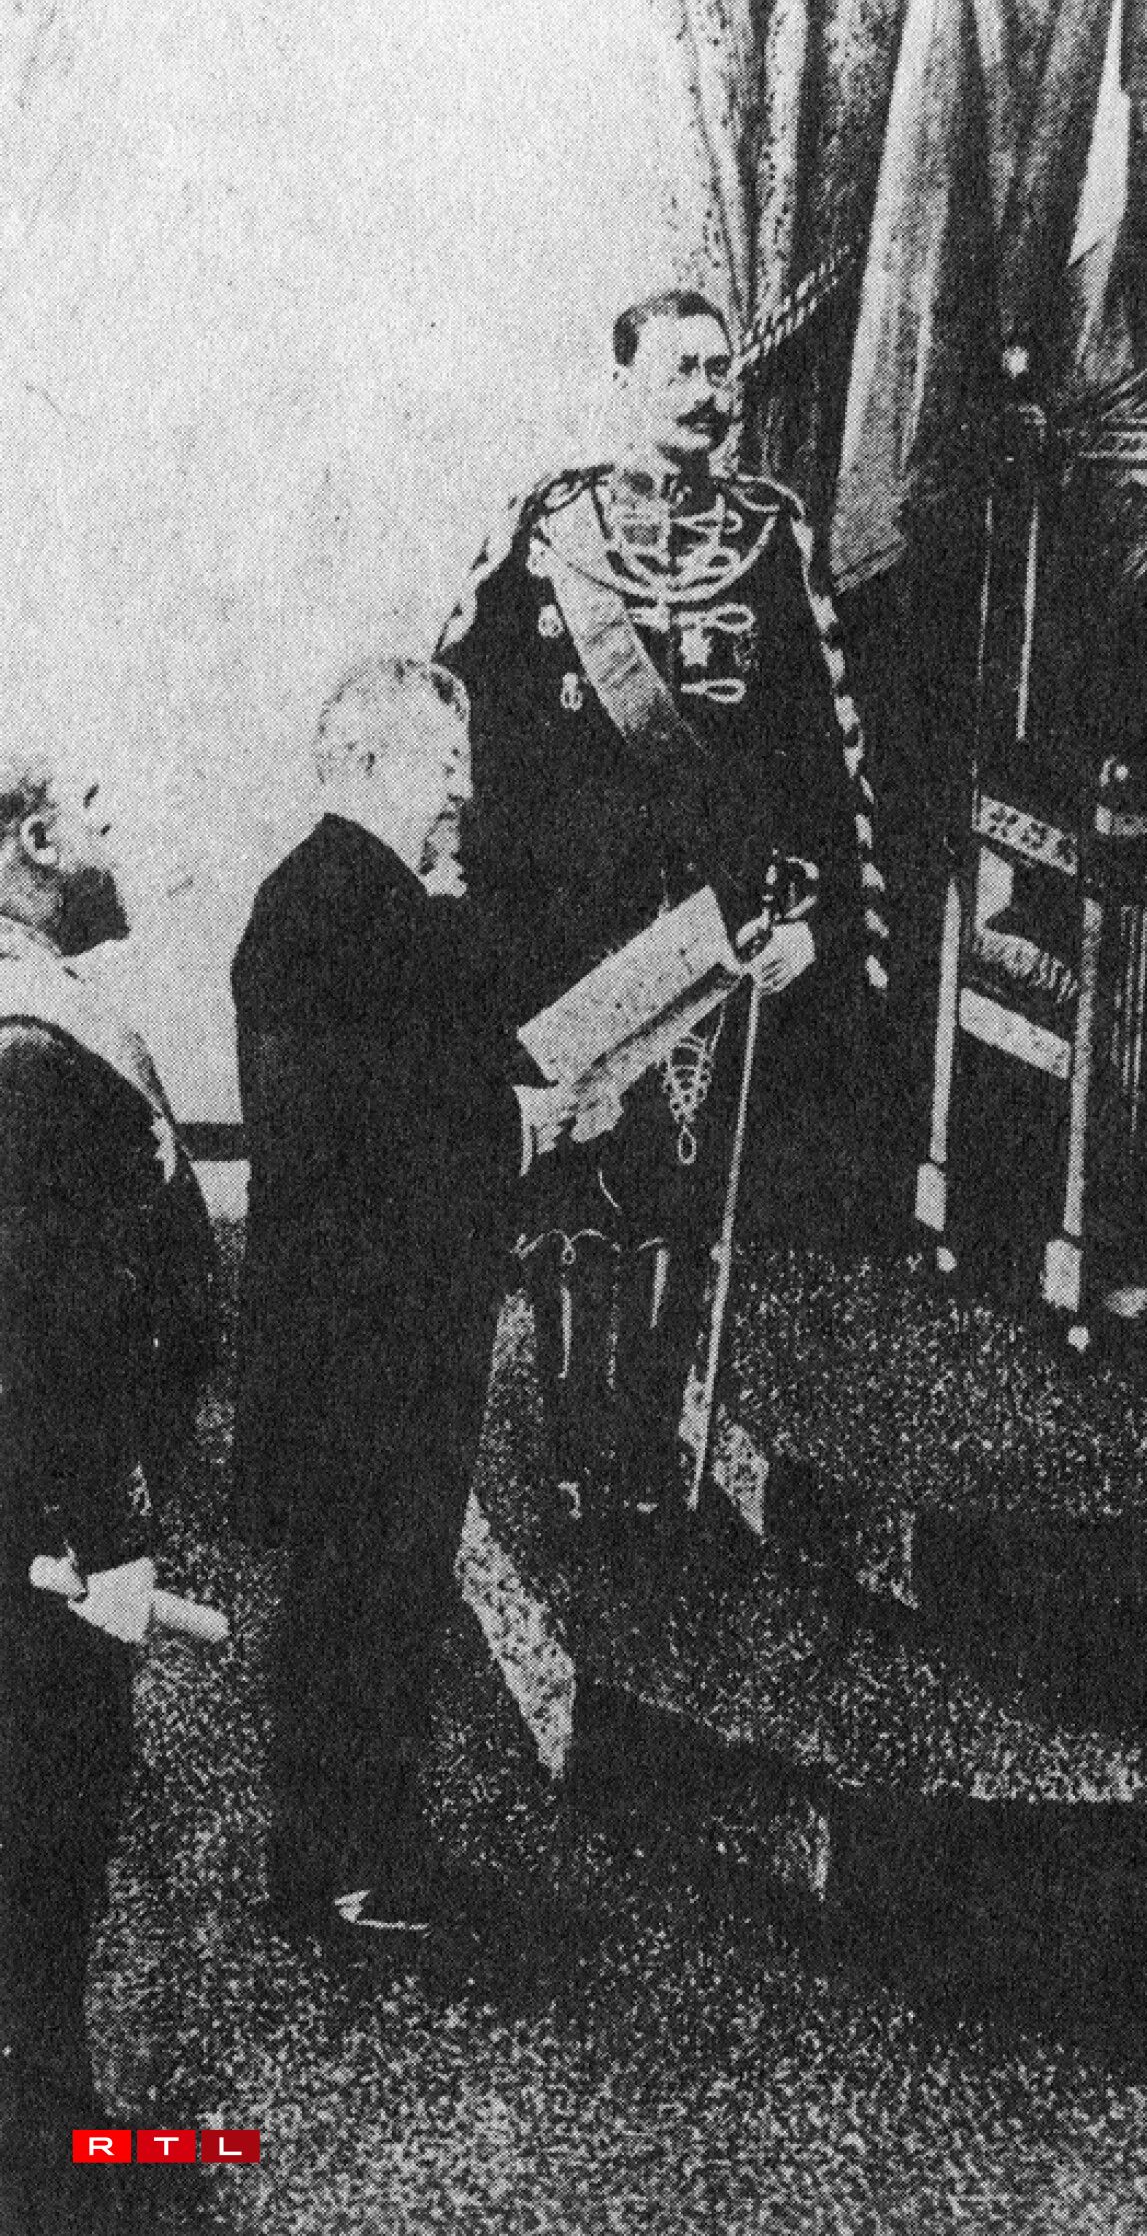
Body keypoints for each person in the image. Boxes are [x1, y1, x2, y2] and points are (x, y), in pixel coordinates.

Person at [436, 289, 888, 1536]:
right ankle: (576, 1459)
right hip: (568, 940)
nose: (710, 390)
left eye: (723, 370)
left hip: (717, 940)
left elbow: (826, 757)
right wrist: (470, 926)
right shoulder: (547, 533)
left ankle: (647, 1461)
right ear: (625, 381)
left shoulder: (771, 536)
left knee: (685, 1202)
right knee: (575, 1196)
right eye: (684, 368)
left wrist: (819, 916)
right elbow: (459, 733)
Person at [231, 657, 558, 1932]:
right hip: (363, 1336)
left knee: (378, 1591)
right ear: (366, 766)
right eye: (440, 765)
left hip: (376, 1328)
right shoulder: (332, 906)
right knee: (360, 1598)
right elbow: (361, 1129)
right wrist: (520, 1125)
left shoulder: (350, 898)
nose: (462, 792)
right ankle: (340, 1877)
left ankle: (355, 1857)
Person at [0, 754, 216, 2232]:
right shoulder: (29, 1049)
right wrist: (98, 1537)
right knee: (53, 1818)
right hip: (57, 1535)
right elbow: (43, 1335)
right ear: (26, 844)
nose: (113, 826)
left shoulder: (44, 1016)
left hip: (54, 1520)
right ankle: (55, 2167)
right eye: (91, 806)